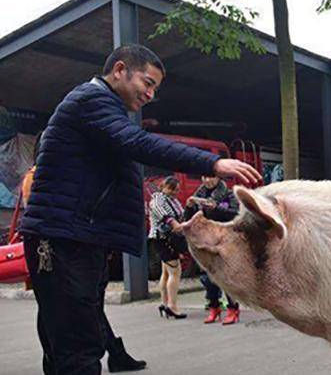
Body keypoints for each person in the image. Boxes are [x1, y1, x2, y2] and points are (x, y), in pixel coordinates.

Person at [20, 44, 261, 375]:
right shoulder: (91, 100)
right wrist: (212, 161)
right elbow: (139, 143)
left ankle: (114, 355)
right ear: (120, 70)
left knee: (68, 339)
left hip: (75, 238)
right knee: (77, 348)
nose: (150, 93)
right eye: (147, 83)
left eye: (155, 89)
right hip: (64, 241)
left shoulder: (100, 108)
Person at [21, 132, 146, 372]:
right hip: (59, 253)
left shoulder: (60, 174)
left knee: (76, 311)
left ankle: (112, 354)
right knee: (70, 314)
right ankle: (110, 355)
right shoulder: (40, 176)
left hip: (80, 251)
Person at [184, 176, 240, 324]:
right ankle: (214, 308)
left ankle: (233, 309)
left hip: (224, 240)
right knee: (207, 278)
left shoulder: (228, 194)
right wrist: (189, 206)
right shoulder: (199, 195)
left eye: (211, 177)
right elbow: (188, 220)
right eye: (204, 177)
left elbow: (235, 213)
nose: (208, 180)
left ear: (217, 177)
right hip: (204, 242)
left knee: (226, 277)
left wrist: (217, 207)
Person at [148, 176, 187, 319]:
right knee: (175, 272)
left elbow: (181, 216)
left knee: (165, 273)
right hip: (164, 239)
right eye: (172, 189)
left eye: (177, 190)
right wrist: (172, 222)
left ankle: (165, 303)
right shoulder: (158, 198)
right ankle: (172, 306)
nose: (175, 192)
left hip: (166, 239)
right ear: (164, 187)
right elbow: (158, 210)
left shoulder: (173, 201)